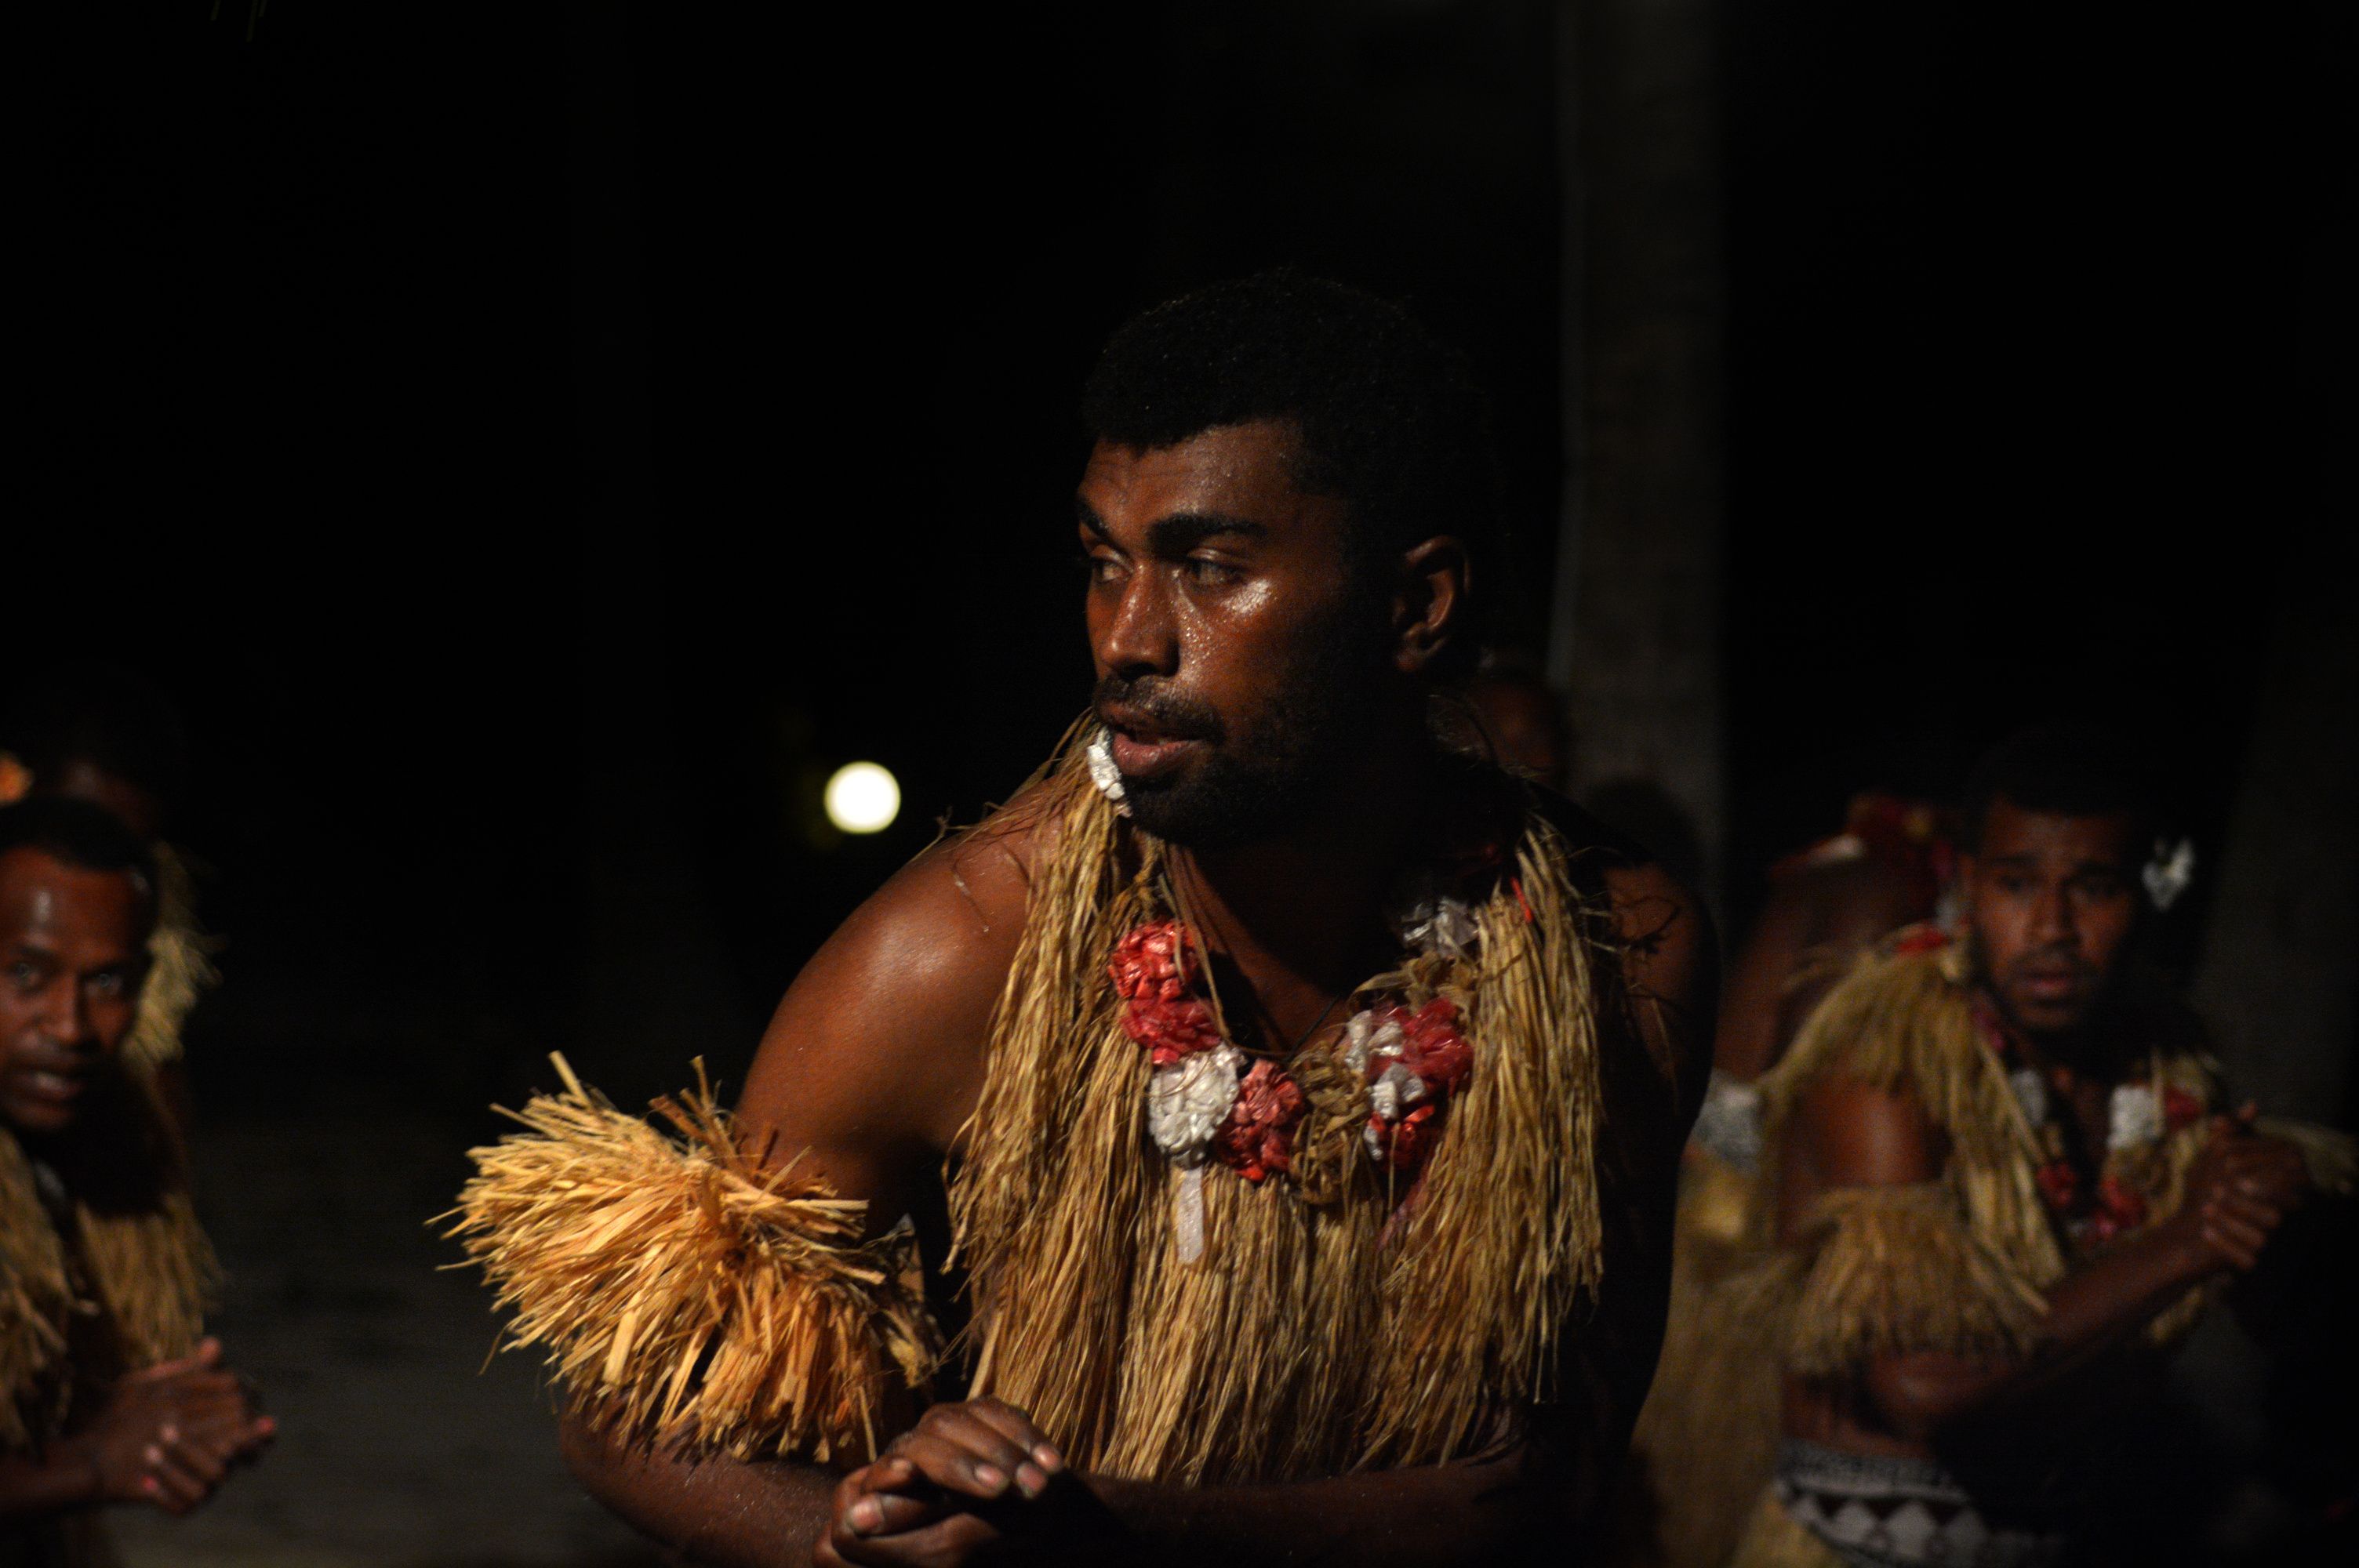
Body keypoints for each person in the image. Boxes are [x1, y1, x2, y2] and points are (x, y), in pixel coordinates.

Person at [455, 271, 1718, 1566]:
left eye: (1211, 568)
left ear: (1416, 608)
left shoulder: (1610, 953)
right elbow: (629, 1415)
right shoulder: (952, 956)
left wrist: (1112, 1535)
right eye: (1102, 563)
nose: (1126, 637)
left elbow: (1551, 1476)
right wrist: (852, 1544)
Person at [1717, 725, 2346, 1566]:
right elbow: (1917, 1383)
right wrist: (2190, 1236)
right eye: (2017, 884)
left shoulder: (2159, 1068)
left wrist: (2266, 1218)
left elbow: (2278, 1320)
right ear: (1965, 885)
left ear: (2146, 893)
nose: (2051, 925)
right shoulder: (1882, 1058)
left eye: (2091, 886)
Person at [1621, 791, 1956, 1567]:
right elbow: (1814, 1066)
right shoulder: (1884, 895)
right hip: (1743, 1219)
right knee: (1699, 1493)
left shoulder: (1829, 873)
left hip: (1710, 1193)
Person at [0, 799, 272, 1565]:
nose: (71, 1023)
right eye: (26, 972)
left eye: (107, 981)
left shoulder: (99, 1137)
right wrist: (92, 1460)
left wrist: (186, 1415)